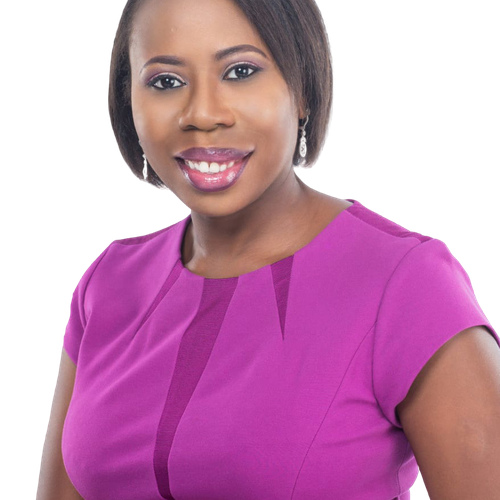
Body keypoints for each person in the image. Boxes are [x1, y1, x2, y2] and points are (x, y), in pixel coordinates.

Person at [36, 0, 500, 498]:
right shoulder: (109, 282)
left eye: (240, 71)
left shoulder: (407, 282)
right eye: (166, 81)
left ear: (301, 89)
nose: (203, 114)